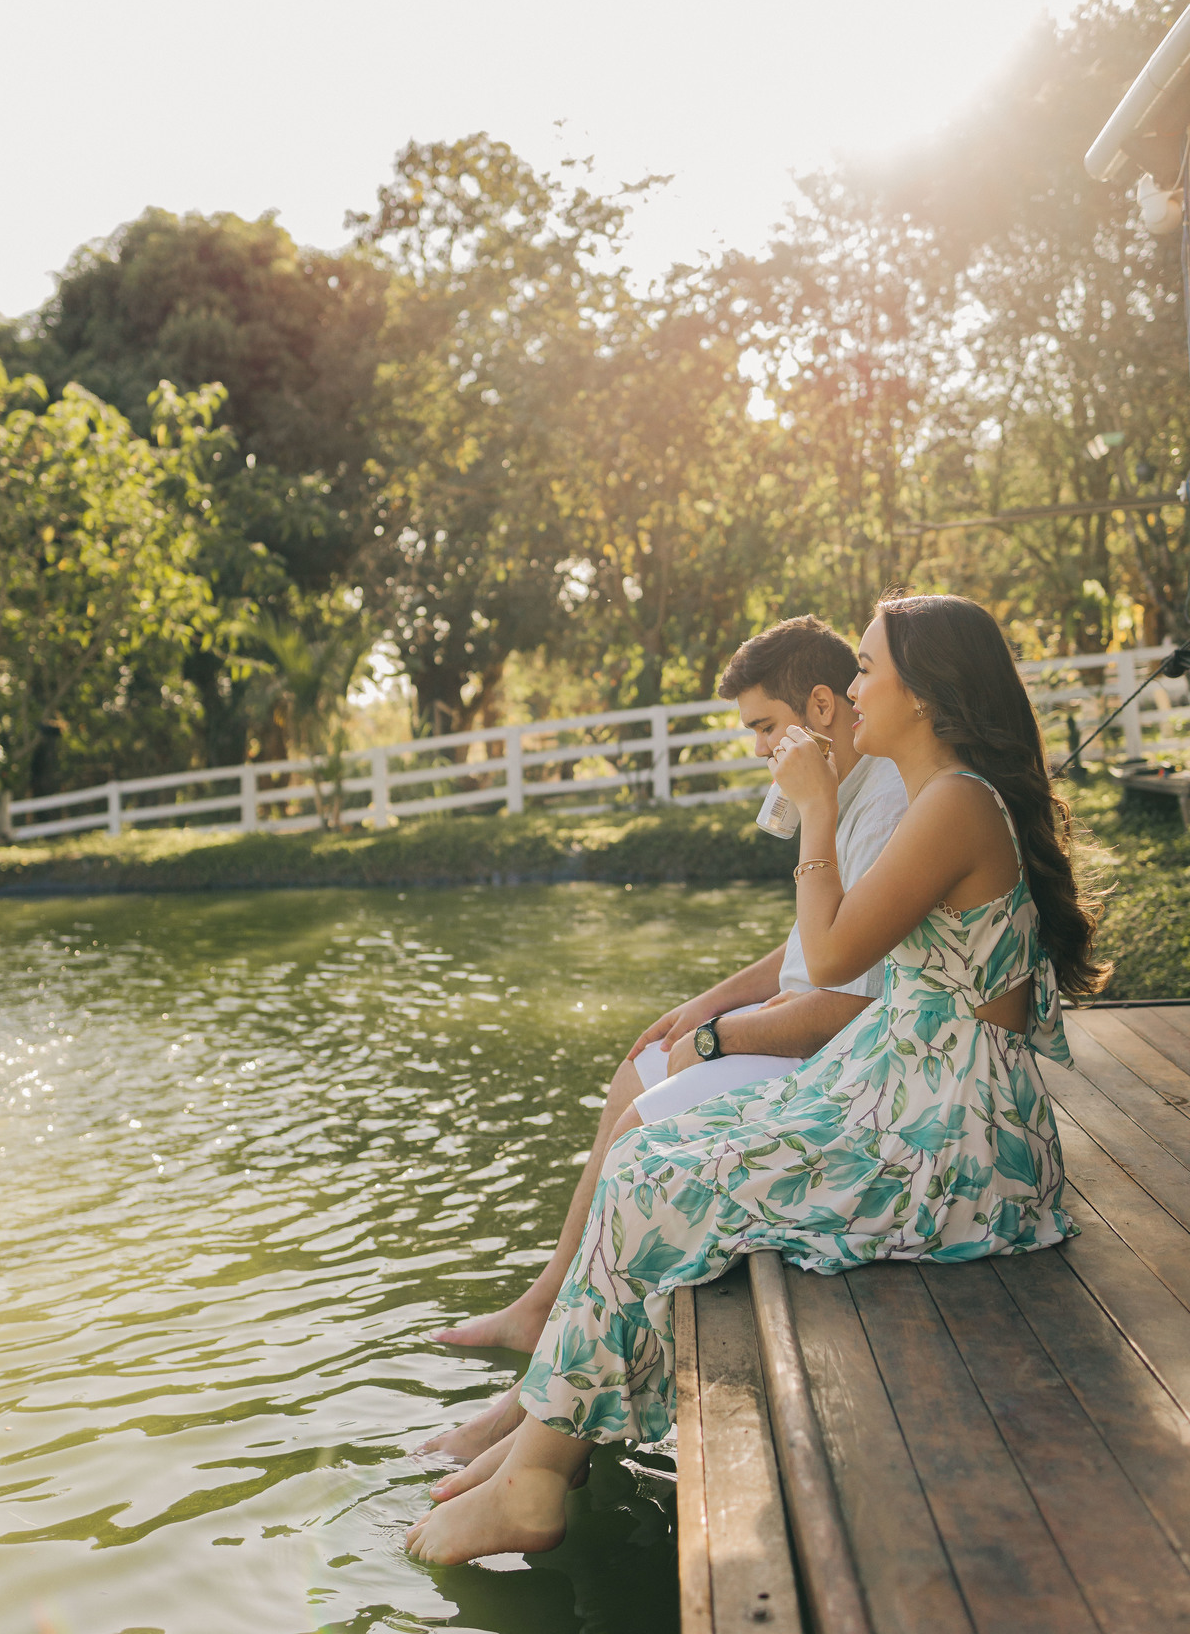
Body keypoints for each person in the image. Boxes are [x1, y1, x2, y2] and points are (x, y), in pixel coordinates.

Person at [405, 591, 1107, 1566]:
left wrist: (817, 811)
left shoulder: (954, 803)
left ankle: (534, 1473)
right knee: (646, 1155)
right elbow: (824, 955)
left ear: (924, 692)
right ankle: (539, 1453)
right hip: (909, 1090)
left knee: (655, 1176)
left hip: (956, 1140)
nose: (851, 691)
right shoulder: (947, 798)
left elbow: (832, 954)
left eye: (868, 670)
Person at [423, 616, 907, 1461]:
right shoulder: (829, 785)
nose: (758, 747)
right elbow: (805, 945)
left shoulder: (880, 807)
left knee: (642, 1128)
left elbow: (845, 1002)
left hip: (828, 1057)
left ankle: (544, 1414)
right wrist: (702, 1008)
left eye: (765, 725)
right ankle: (545, 1307)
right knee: (640, 1065)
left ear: (820, 707)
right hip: (789, 1023)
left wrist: (720, 1039)